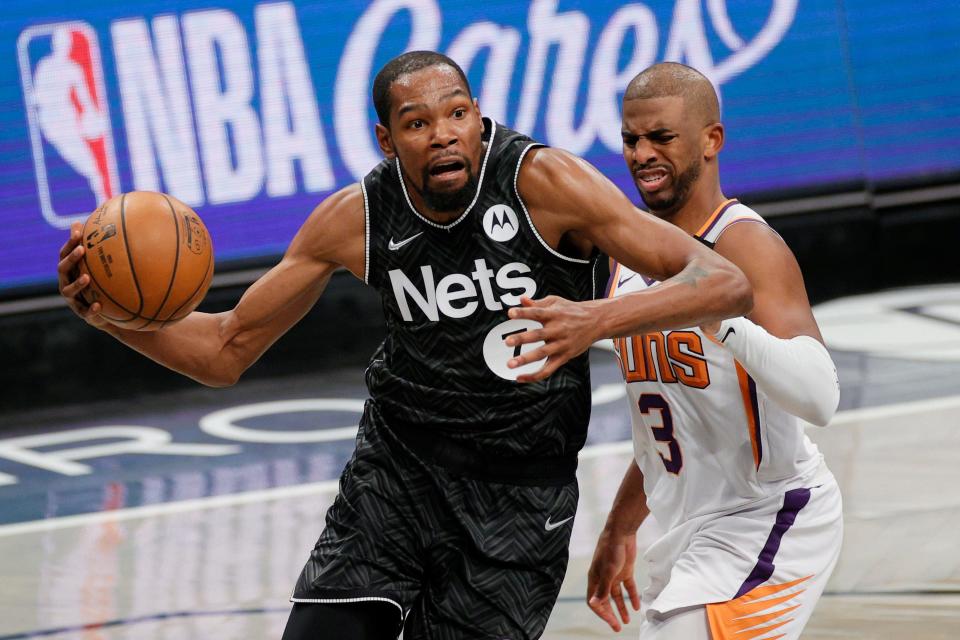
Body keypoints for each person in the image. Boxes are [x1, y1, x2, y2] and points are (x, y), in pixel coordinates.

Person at [57, 52, 751, 640]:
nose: (444, 135)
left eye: (456, 115)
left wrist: (596, 320)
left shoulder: (545, 183)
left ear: (478, 117)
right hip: (397, 475)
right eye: (418, 124)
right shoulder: (355, 217)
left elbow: (721, 279)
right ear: (388, 141)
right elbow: (225, 348)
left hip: (520, 494)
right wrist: (111, 318)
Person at [516, 62, 841, 639]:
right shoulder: (627, 255)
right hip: (688, 529)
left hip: (768, 517)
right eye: (631, 140)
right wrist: (620, 527)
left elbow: (819, 398)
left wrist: (720, 316)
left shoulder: (746, 244)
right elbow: (666, 419)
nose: (642, 154)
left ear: (711, 140)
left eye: (661, 137)